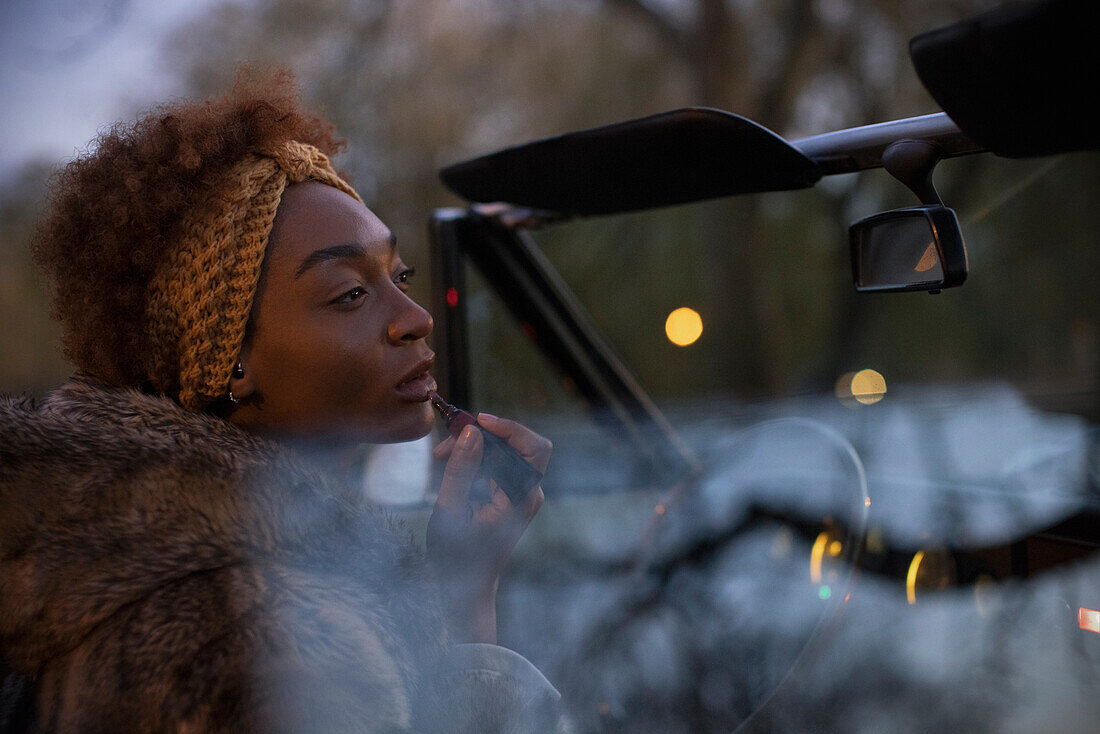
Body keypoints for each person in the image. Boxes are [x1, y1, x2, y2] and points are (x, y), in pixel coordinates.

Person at [0, 69, 564, 733]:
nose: (415, 317)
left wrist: (461, 594)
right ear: (229, 364)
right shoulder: (240, 644)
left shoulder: (227, 569)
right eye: (350, 293)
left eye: (398, 276)